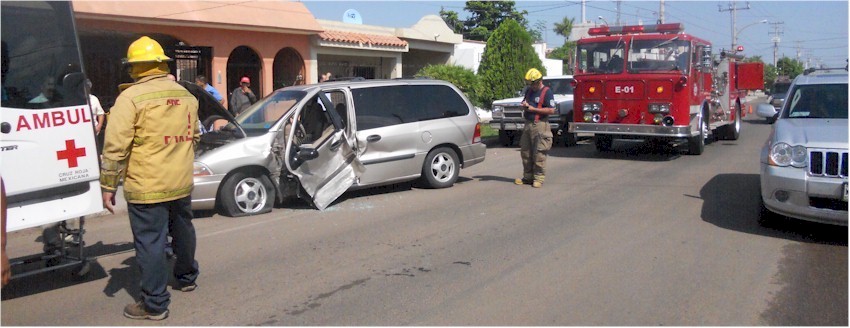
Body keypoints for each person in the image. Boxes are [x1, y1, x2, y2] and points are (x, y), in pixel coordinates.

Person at [101, 36, 200, 321]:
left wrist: (108, 186)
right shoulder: (187, 96)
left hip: (147, 184)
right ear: (161, 64)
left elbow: (115, 147)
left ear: (134, 67)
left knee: (151, 242)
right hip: (180, 181)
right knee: (183, 230)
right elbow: (195, 137)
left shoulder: (130, 98)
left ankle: (155, 304)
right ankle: (186, 277)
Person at [515, 68, 555, 188]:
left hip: (541, 125)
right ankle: (527, 177)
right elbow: (525, 102)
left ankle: (538, 178)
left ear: (539, 81)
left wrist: (534, 109)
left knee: (539, 153)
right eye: (529, 84)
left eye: (533, 83)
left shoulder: (547, 92)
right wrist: (524, 106)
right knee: (526, 152)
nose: (531, 86)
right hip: (528, 124)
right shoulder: (529, 91)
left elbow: (551, 110)